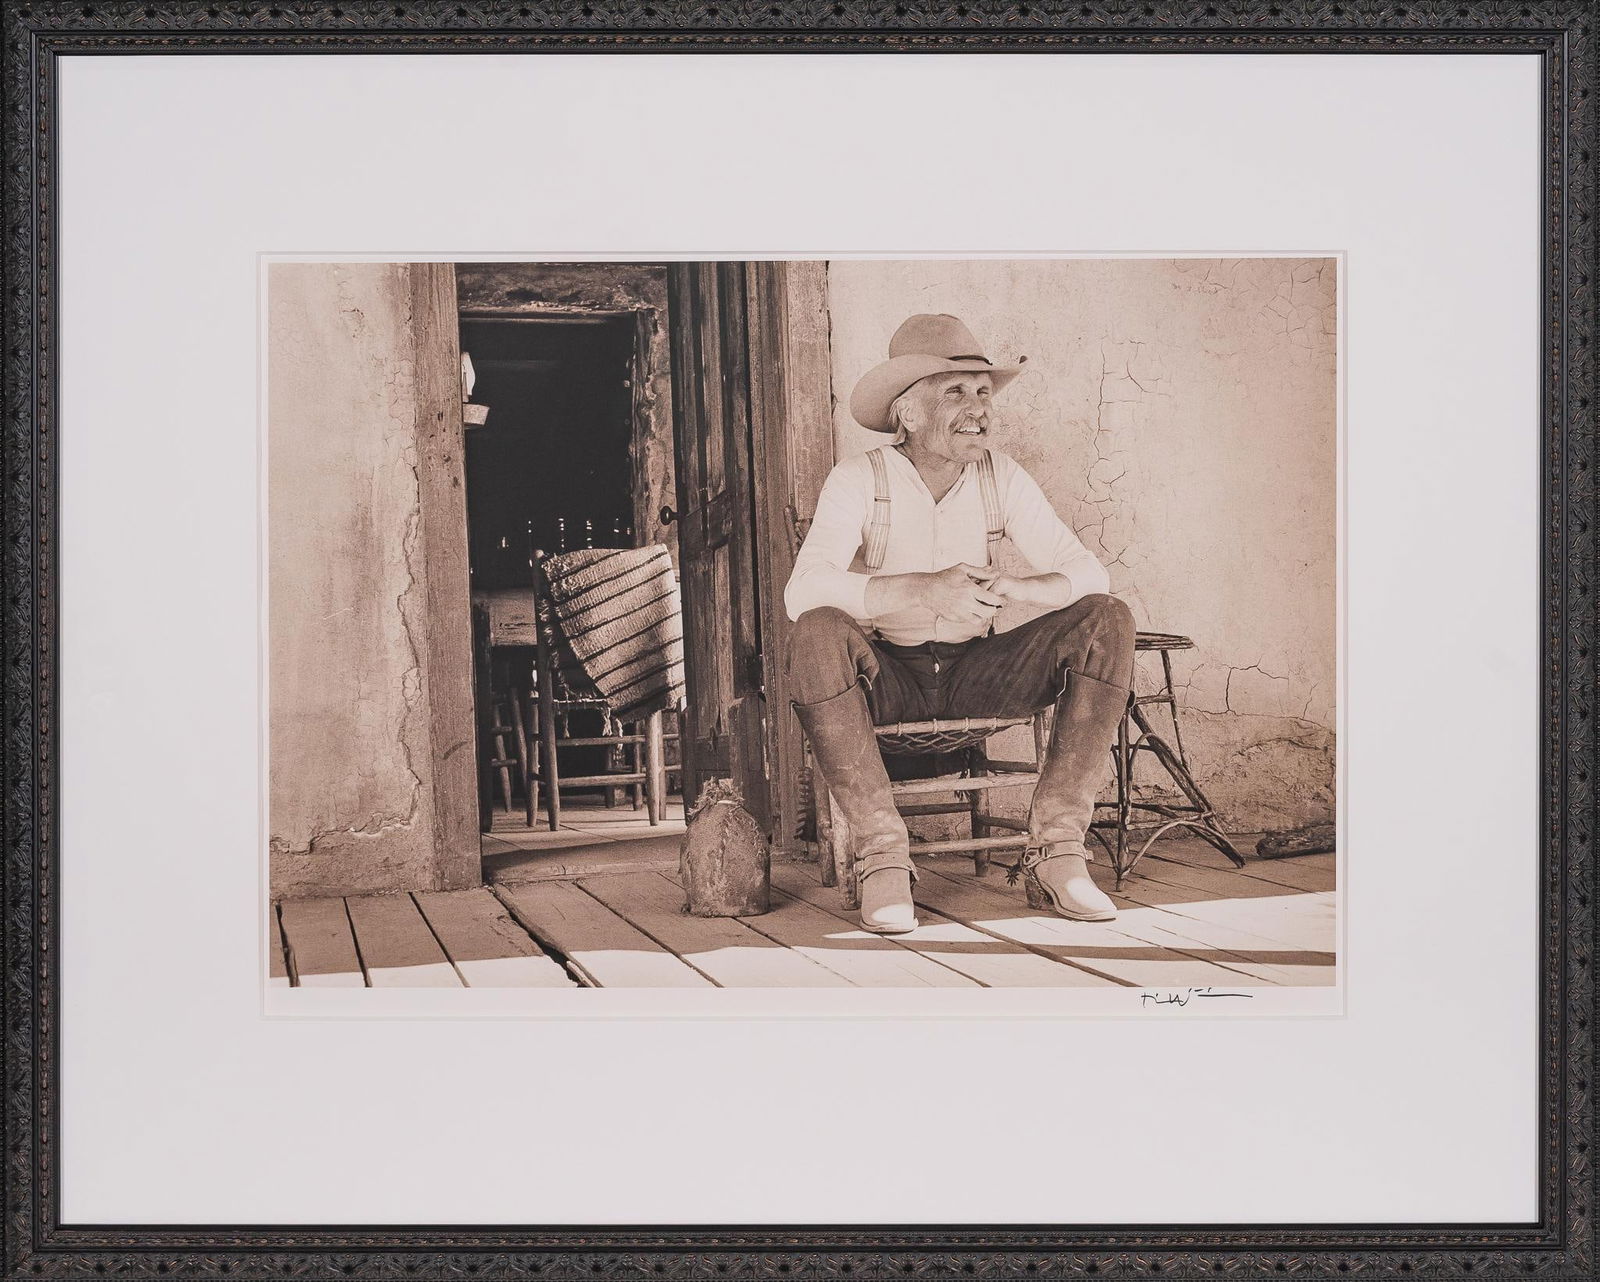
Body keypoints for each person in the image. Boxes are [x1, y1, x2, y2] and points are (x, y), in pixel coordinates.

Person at [785, 314, 1136, 934]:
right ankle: (884, 860)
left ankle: (1056, 851)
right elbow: (803, 590)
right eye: (956, 392)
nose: (979, 409)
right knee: (815, 629)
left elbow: (1088, 573)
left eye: (983, 392)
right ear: (907, 413)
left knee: (1107, 619)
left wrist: (1020, 587)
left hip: (981, 670)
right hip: (890, 677)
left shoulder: (1002, 475)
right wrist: (925, 590)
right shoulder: (859, 477)